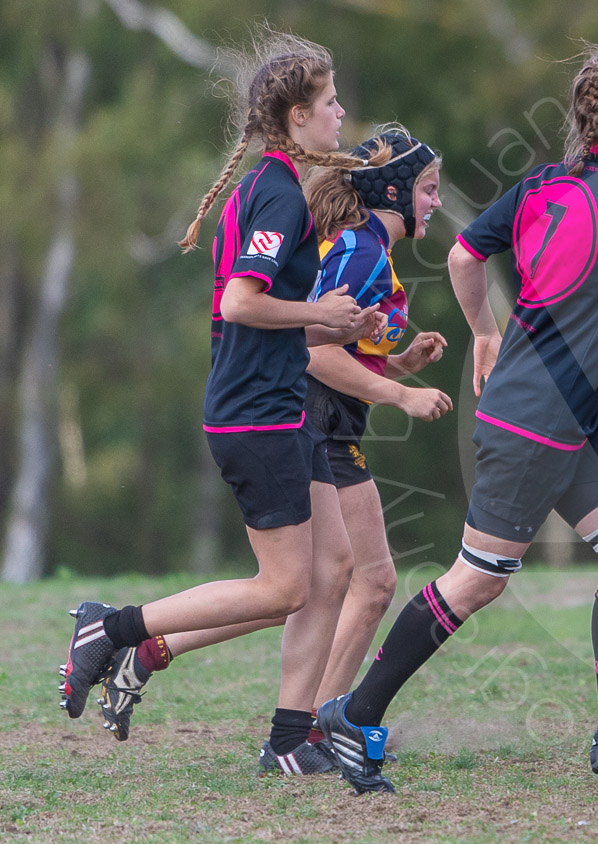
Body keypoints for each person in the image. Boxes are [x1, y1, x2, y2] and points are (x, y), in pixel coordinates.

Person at [316, 46, 598, 794]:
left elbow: (466, 257)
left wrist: (487, 332)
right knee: (476, 582)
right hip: (535, 423)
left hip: (565, 423)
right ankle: (354, 712)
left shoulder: (541, 185)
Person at [57, 31, 383, 772]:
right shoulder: (275, 192)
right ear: (298, 115)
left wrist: (339, 322)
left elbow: (263, 307)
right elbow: (241, 303)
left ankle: (289, 742)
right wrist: (318, 316)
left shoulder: (272, 189)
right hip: (255, 414)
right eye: (331, 103)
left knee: (333, 569)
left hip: (281, 404)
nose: (341, 114)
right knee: (286, 587)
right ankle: (111, 629)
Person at [92, 127, 453, 776]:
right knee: (351, 583)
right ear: (395, 191)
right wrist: (399, 396)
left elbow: (336, 341)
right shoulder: (357, 250)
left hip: (324, 423)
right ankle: (315, 726)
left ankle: (169, 659)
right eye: (429, 189)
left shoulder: (365, 248)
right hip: (312, 423)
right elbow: (313, 350)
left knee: (319, 585)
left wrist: (399, 362)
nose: (437, 203)